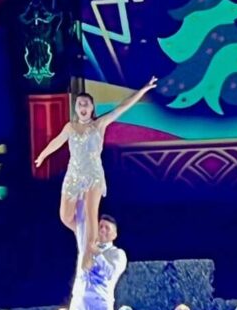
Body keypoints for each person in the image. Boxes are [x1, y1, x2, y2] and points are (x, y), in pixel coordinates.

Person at [34, 79, 157, 269]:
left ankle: (89, 251)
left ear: (92, 108)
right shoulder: (70, 127)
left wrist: (142, 89)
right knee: (65, 217)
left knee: (92, 215)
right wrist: (42, 156)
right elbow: (57, 142)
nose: (83, 107)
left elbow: (122, 107)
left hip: (93, 175)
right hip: (73, 175)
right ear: (76, 108)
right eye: (79, 104)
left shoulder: (99, 124)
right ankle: (88, 238)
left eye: (86, 104)